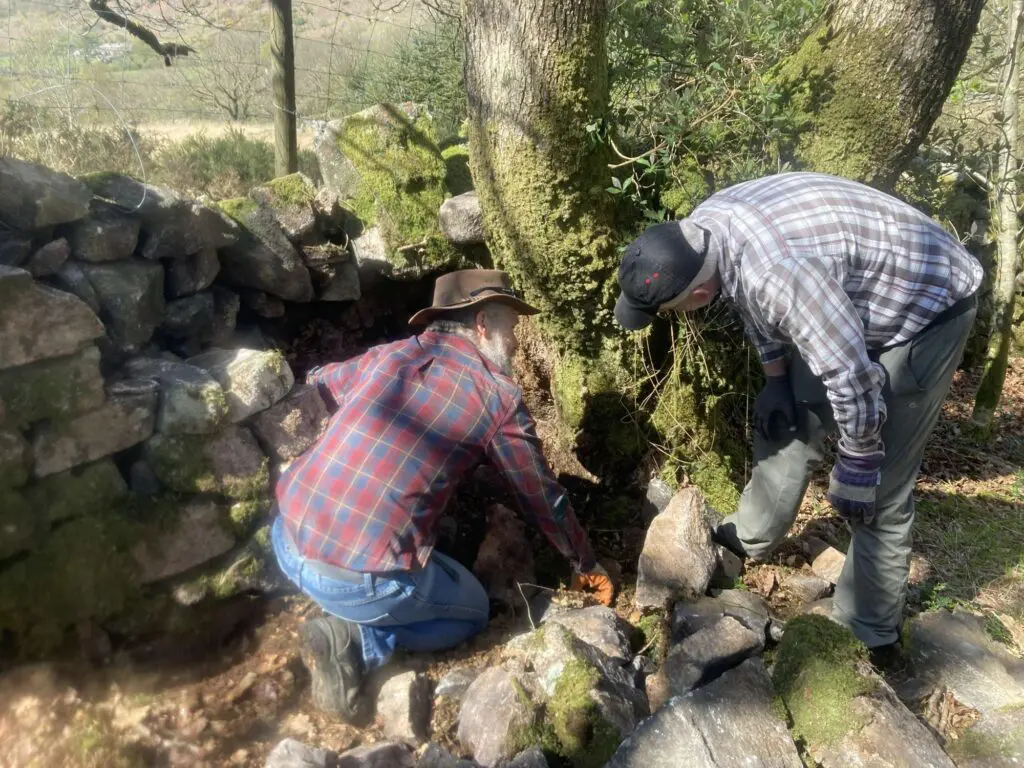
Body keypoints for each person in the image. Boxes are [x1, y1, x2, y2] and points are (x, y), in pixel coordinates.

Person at [614, 172, 983, 658]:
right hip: (848, 302)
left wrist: (858, 457)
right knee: (788, 422)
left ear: (697, 296)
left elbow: (848, 372)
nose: (673, 316)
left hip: (926, 308)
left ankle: (866, 637)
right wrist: (775, 378)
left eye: (671, 309)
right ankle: (749, 538)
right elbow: (748, 301)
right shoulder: (706, 230)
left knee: (880, 489)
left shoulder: (778, 274)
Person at [271, 268, 613, 720]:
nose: (514, 342)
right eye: (511, 328)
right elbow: (539, 495)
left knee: (427, 535)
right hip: (357, 582)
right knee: (469, 612)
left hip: (286, 537)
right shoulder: (496, 395)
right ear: (483, 325)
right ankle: (358, 639)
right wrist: (584, 562)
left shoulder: (388, 356)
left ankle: (351, 613)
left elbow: (321, 380)